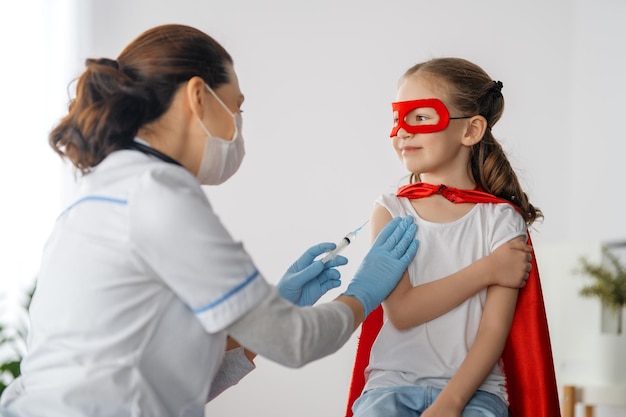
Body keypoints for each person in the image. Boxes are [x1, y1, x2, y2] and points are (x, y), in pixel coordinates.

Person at [0, 24, 421, 417]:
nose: (238, 125)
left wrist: (278, 305)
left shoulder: (108, 187)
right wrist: (364, 292)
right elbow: (297, 341)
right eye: (237, 107)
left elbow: (164, 370)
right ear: (198, 96)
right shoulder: (157, 194)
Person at [347, 57, 560, 417]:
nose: (403, 130)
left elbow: (495, 330)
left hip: (476, 395)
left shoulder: (501, 219)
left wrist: (451, 403)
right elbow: (402, 311)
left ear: (471, 130)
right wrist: (488, 270)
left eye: (420, 116)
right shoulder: (390, 210)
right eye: (398, 117)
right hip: (390, 390)